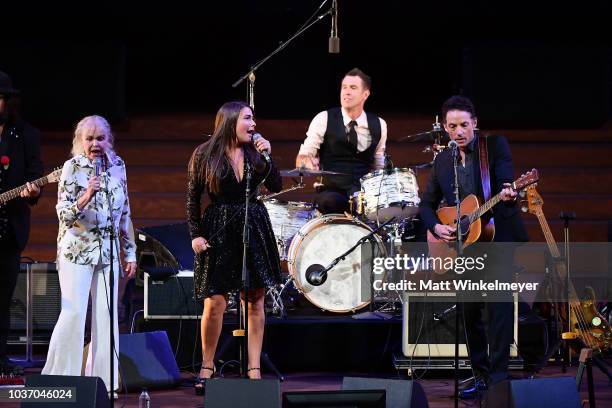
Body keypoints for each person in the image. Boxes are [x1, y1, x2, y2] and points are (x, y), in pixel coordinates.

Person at [419, 95, 529, 398]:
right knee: (468, 312)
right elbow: (427, 204)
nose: (459, 132)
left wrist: (510, 192)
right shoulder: (443, 160)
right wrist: (436, 225)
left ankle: (498, 378)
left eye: (464, 125)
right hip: (465, 246)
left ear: (475, 124)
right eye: (452, 126)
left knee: (499, 309)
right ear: (444, 127)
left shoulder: (494, 147)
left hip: (496, 238)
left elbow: (507, 180)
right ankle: (479, 373)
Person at [187, 101, 282, 392]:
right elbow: (193, 197)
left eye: (254, 119)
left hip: (253, 224)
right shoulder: (205, 154)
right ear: (230, 121)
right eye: (248, 119)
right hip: (219, 226)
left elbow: (276, 185)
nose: (253, 125)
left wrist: (269, 155)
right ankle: (207, 365)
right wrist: (195, 234)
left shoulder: (256, 154)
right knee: (214, 301)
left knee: (254, 298)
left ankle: (253, 368)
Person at [42, 115, 136, 396]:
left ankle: (104, 383)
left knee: (106, 317)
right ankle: (60, 381)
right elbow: (64, 216)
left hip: (107, 254)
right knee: (73, 314)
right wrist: (86, 195)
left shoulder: (119, 167)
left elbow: (126, 213)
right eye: (89, 138)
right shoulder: (71, 168)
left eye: (101, 138)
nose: (95, 144)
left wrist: (129, 251)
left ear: (109, 141)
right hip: (76, 253)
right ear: (79, 142)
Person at [295, 68, 387, 214]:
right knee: (331, 202)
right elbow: (302, 158)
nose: (346, 92)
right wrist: (307, 163)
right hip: (330, 191)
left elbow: (379, 166)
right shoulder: (323, 118)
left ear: (365, 94)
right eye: (344, 87)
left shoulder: (379, 124)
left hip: (362, 193)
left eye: (353, 87)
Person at [0, 70, 43, 376]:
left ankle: (1, 358)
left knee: (3, 299)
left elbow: (35, 176)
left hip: (8, 232)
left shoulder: (26, 135)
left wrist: (34, 190)